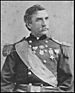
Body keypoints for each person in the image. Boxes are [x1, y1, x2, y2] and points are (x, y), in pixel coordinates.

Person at [1, 4, 73, 92]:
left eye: (46, 18)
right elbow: (5, 82)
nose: (44, 23)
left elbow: (67, 83)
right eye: (39, 20)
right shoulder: (17, 48)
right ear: (29, 24)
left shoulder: (58, 48)